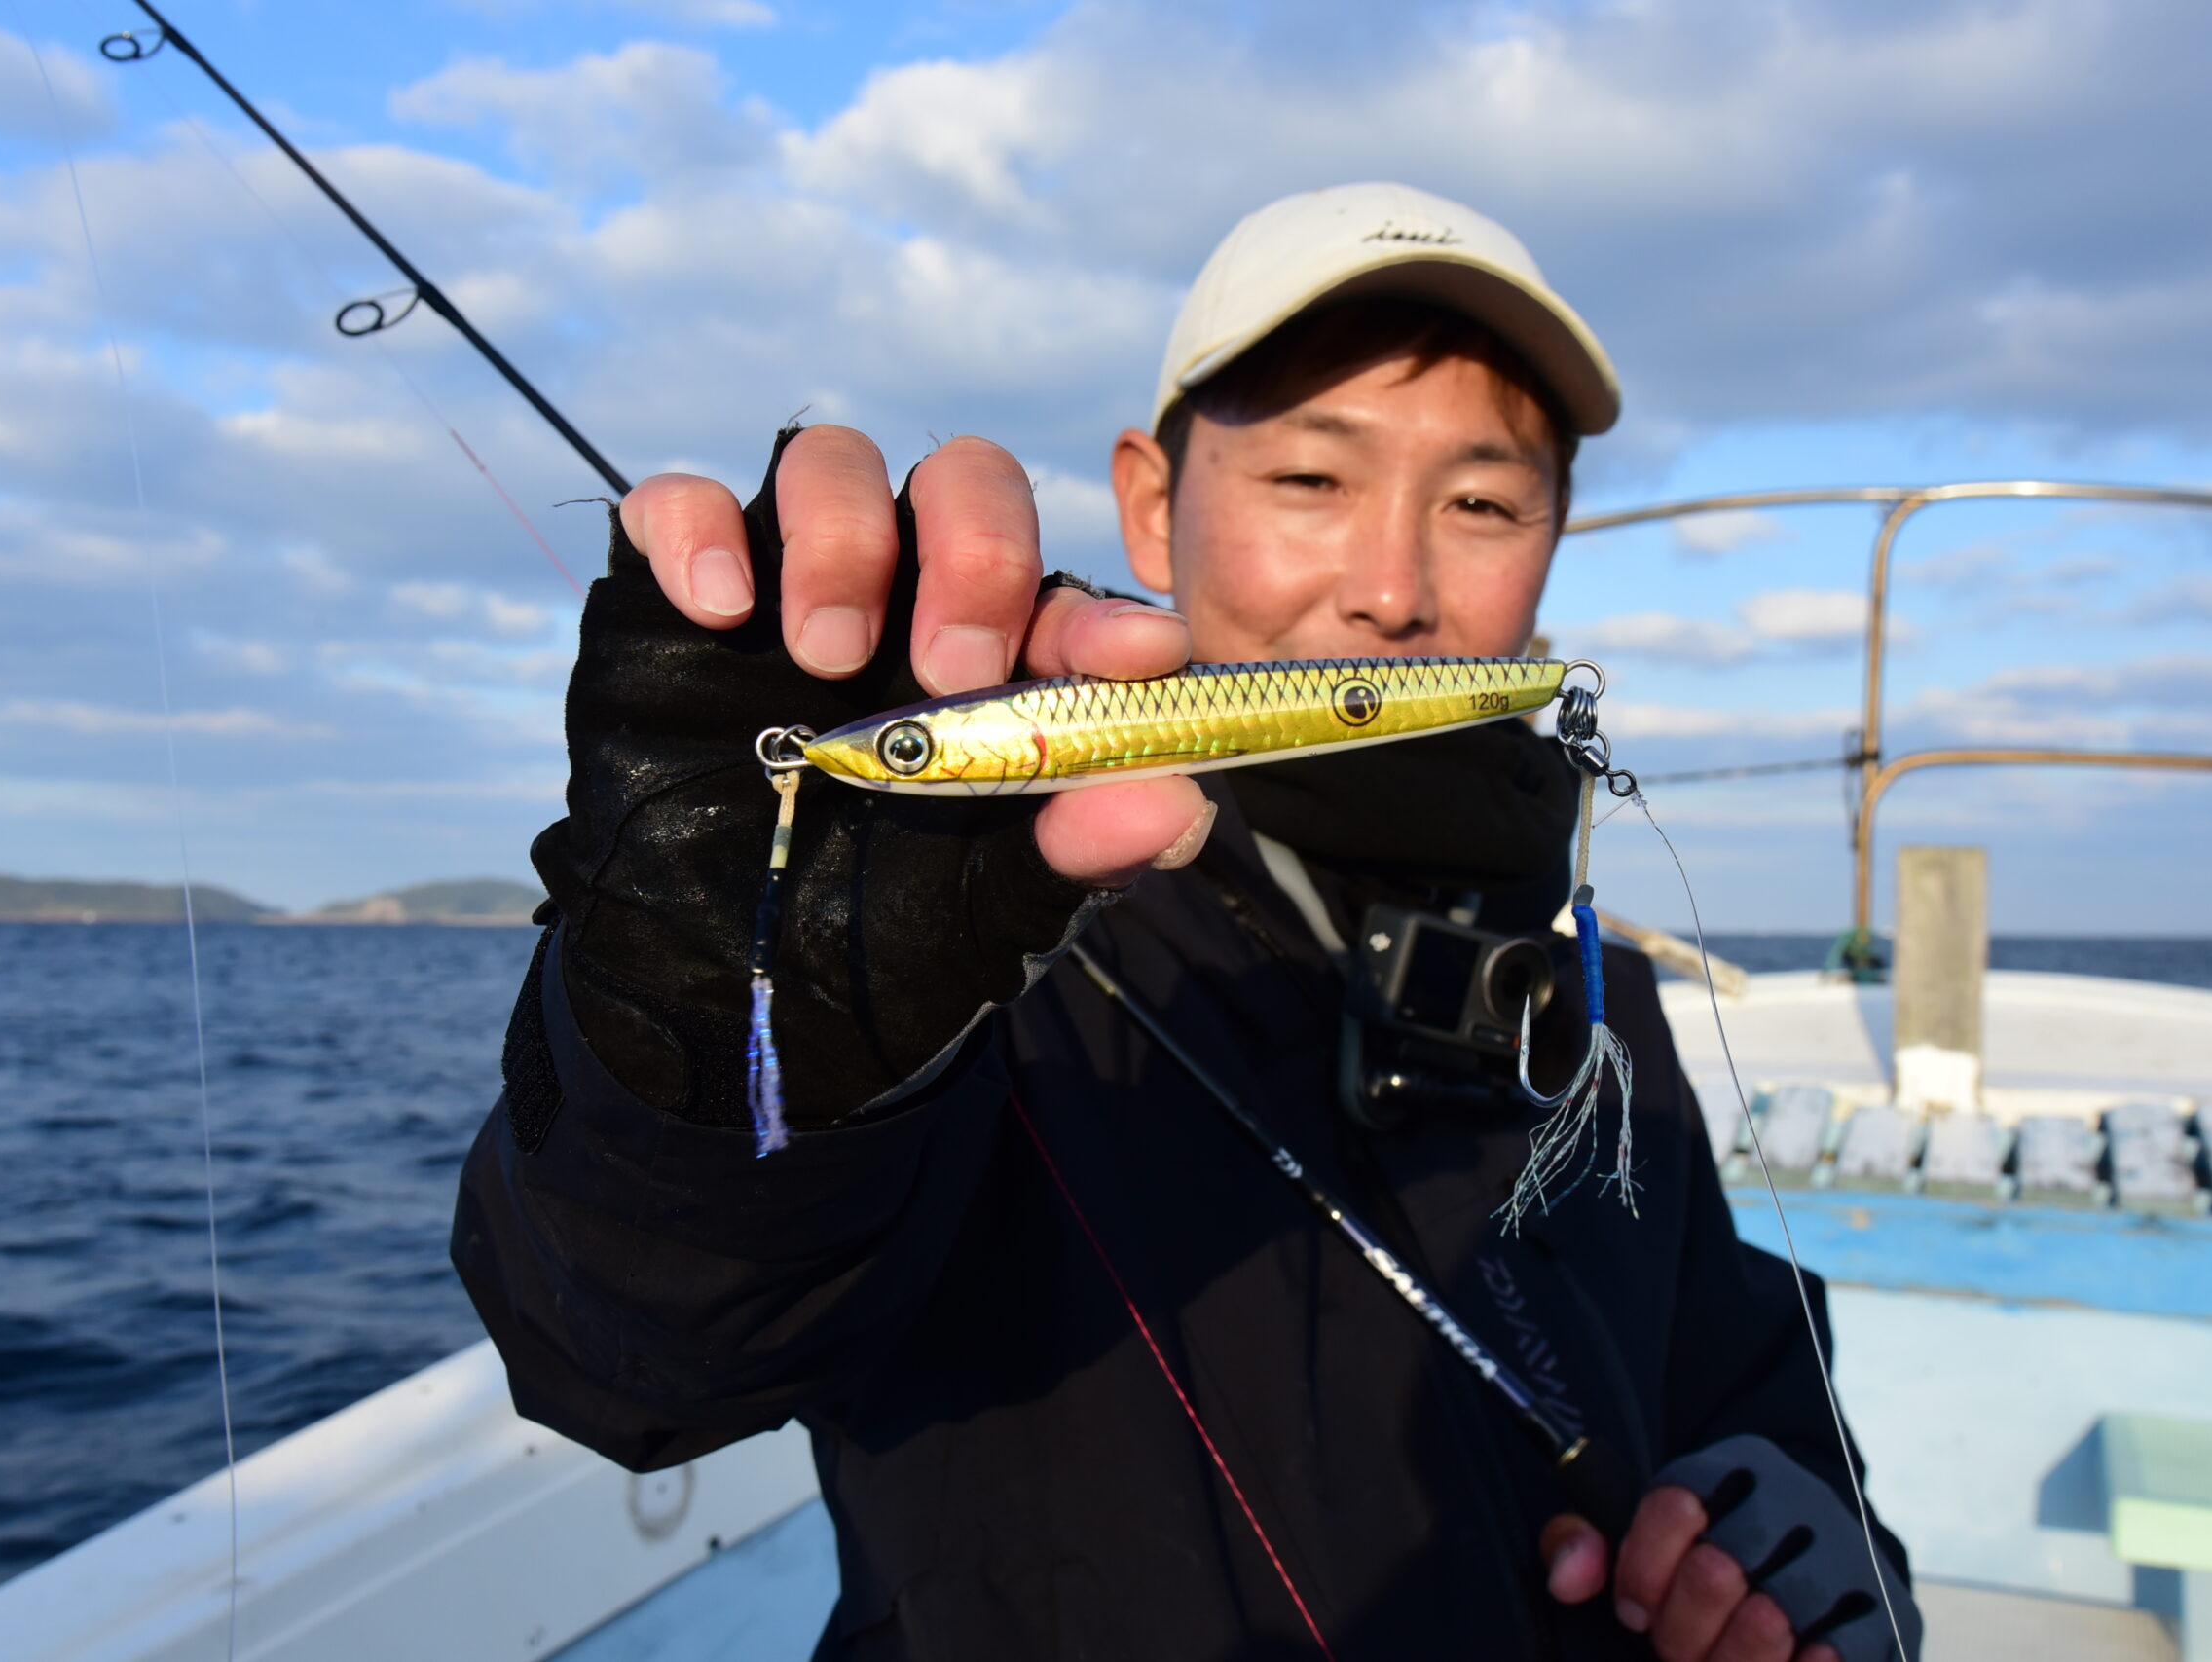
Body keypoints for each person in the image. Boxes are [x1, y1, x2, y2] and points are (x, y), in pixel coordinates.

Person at [454, 182, 1920, 1662]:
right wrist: (711, 1024)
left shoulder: (1595, 1013)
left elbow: (1761, 1407)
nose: (1395, 589)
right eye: (1310, 482)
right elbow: (631, 1356)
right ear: (1153, 499)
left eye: (1480, 500)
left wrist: (1810, 1559)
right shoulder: (986, 953)